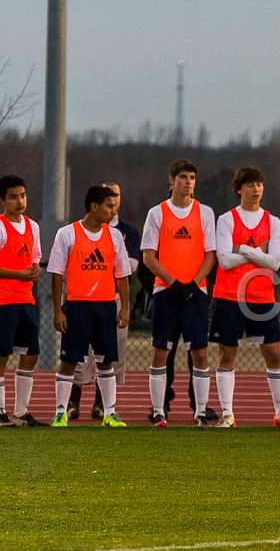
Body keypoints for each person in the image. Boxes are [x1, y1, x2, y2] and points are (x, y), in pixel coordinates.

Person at [210, 166, 280, 428]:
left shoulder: (273, 221)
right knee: (227, 355)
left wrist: (243, 249)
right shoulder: (227, 220)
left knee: (274, 354)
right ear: (239, 190)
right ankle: (227, 414)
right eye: (250, 185)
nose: (256, 189)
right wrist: (258, 252)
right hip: (229, 295)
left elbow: (275, 262)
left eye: (259, 184)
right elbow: (224, 260)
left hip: (261, 297)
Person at [47, 185, 132, 428]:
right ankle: (61, 412)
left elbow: (122, 275)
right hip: (77, 307)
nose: (112, 209)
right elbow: (56, 274)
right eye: (107, 204)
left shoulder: (115, 236)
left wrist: (124, 308)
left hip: (105, 308)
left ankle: (110, 413)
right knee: (70, 361)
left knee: (106, 362)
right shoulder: (67, 233)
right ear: (94, 207)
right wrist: (58, 309)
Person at [141, 160, 217, 427]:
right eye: (183, 177)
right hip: (166, 292)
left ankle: (201, 411)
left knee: (200, 353)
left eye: (193, 177)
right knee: (161, 351)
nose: (188, 182)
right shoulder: (157, 213)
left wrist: (194, 284)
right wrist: (173, 282)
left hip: (195, 293)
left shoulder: (205, 213)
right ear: (171, 181)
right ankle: (159, 411)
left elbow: (210, 255)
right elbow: (149, 257)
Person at [69, 181, 142, 420]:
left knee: (111, 353)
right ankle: (72, 401)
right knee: (79, 355)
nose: (113, 201)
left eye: (117, 195)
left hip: (112, 298)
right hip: (83, 298)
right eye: (108, 197)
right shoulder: (75, 231)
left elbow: (128, 267)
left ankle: (103, 404)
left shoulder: (127, 232)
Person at [0, 175, 45, 427]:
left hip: (25, 300)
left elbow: (35, 257)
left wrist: (34, 270)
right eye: (14, 197)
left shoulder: (33, 226)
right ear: (3, 201)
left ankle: (21, 411)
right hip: (3, 300)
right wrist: (18, 274)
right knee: (2, 354)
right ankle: (0, 411)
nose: (20, 201)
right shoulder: (1, 227)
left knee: (31, 353)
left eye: (23, 195)